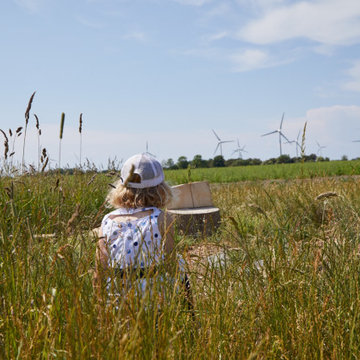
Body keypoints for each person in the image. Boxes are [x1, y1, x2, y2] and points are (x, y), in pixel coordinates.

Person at [93, 153, 192, 309]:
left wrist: (99, 303)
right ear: (161, 188)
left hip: (116, 301)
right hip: (153, 301)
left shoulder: (108, 220)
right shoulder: (161, 219)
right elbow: (172, 265)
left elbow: (100, 269)